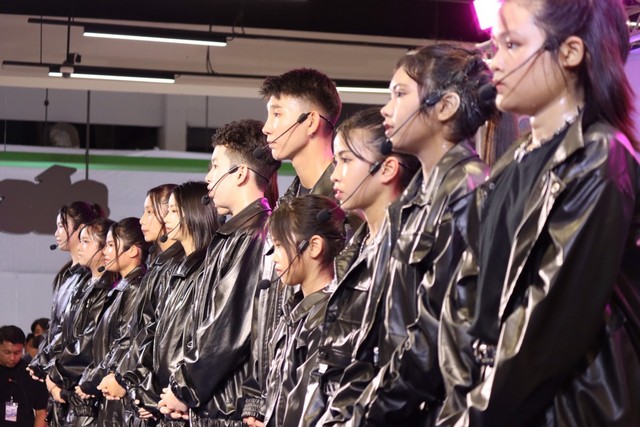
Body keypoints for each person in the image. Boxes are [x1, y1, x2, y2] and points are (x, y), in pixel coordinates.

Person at [438, 0, 640, 425]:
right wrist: (460, 401)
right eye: (494, 47)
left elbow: (548, 327)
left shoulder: (600, 156)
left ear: (570, 52)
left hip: (566, 410)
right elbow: (464, 295)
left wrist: (471, 415)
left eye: (512, 45)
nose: (495, 62)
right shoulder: (509, 164)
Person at [340, 43, 497, 426]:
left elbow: (438, 335)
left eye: (399, 94)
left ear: (445, 107)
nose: (386, 109)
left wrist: (368, 413)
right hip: (397, 407)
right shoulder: (411, 201)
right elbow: (379, 331)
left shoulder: (468, 190)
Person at [284, 107, 418, 425]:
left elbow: (395, 365)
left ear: (387, 168)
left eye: (346, 160)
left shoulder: (404, 250)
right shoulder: (357, 248)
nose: (335, 175)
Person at [243, 68, 362, 423]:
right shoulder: (289, 204)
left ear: (310, 122)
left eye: (277, 114)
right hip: (281, 394)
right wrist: (262, 400)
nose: (267, 128)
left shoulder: (348, 205)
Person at [157, 119, 280, 427]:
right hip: (216, 406)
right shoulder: (234, 234)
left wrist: (184, 388)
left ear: (240, 173)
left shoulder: (253, 235)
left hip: (229, 409)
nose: (208, 177)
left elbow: (226, 326)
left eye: (215, 166)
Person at [126, 181, 218, 427]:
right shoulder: (177, 270)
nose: (166, 218)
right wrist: (144, 389)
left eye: (174, 211)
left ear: (194, 214)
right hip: (165, 399)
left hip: (182, 403)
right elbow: (155, 335)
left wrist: (163, 392)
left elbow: (196, 343)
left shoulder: (206, 270)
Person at [95, 184, 185, 426]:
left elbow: (159, 336)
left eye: (149, 212)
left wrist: (135, 384)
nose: (142, 220)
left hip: (158, 395)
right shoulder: (158, 265)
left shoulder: (174, 267)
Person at [256, 195, 347, 426]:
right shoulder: (296, 312)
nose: (274, 258)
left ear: (313, 246)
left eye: (279, 246)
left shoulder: (326, 318)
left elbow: (311, 411)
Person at [75, 217, 150, 426]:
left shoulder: (135, 288)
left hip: (120, 395)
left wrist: (91, 380)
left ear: (133, 251)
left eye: (110, 245)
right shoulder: (122, 288)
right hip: (109, 391)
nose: (105, 252)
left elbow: (125, 342)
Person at [46, 218, 117, 426]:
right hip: (70, 390)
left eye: (86, 242)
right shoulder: (83, 285)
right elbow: (62, 332)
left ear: (103, 249)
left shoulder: (107, 289)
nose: (79, 247)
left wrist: (56, 373)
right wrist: (48, 365)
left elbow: (88, 342)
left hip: (86, 393)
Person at [0, 325, 48, 427]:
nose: (12, 358)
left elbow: (41, 412)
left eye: (17, 352)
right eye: (7, 352)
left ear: (24, 347)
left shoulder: (32, 374)